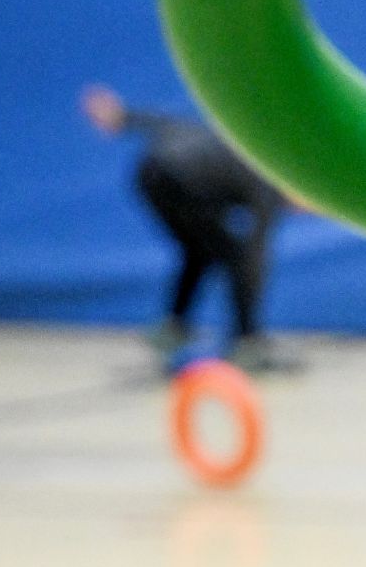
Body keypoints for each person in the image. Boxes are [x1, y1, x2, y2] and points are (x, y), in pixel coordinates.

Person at [82, 83, 300, 373]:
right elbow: (256, 254)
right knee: (238, 256)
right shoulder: (268, 179)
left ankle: (174, 327)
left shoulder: (231, 141)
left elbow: (165, 123)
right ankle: (247, 344)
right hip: (180, 177)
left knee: (200, 251)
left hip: (148, 174)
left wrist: (122, 117)